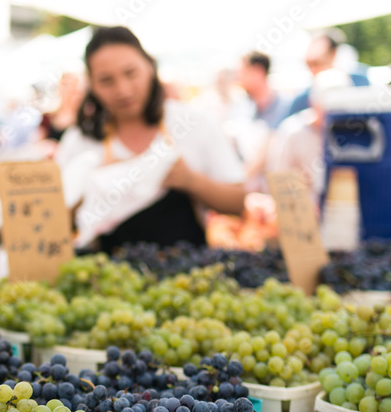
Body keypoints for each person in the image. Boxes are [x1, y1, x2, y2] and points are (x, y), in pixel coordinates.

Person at [56, 26, 246, 252]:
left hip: (188, 267)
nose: (123, 90)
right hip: (107, 271)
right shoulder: (79, 141)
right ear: (92, 85)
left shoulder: (192, 123)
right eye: (106, 80)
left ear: (150, 66)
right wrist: (88, 192)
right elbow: (55, 221)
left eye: (131, 73)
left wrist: (190, 180)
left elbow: (238, 203)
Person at [267, 69, 353, 204]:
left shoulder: (352, 133)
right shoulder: (292, 132)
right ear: (312, 103)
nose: (332, 113)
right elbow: (280, 184)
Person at [286, 30, 369, 118]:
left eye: (317, 63)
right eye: (308, 64)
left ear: (334, 54)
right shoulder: (303, 99)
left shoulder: (360, 83)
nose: (312, 70)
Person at [237, 52, 291, 130]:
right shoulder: (242, 110)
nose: (239, 79)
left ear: (258, 72)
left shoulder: (286, 109)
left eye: (243, 73)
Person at [40, 72, 83, 142]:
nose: (69, 90)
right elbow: (38, 140)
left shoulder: (82, 118)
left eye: (73, 85)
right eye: (65, 84)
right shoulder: (47, 117)